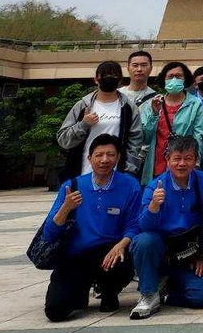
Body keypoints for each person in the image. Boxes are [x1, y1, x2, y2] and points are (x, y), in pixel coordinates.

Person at [39, 134, 141, 321]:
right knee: (55, 311)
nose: (104, 160)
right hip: (76, 255)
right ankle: (81, 290)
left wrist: (122, 244)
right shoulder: (73, 186)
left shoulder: (129, 185)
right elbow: (50, 234)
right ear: (89, 158)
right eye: (99, 155)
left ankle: (110, 289)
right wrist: (65, 208)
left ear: (118, 158)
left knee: (127, 257)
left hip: (110, 252)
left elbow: (135, 224)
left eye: (110, 155)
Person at [130, 135, 203, 319]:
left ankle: (169, 290)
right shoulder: (155, 186)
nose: (181, 164)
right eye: (177, 158)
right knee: (144, 240)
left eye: (188, 158)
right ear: (167, 159)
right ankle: (148, 293)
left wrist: (199, 254)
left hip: (188, 252)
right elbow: (143, 225)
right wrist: (154, 206)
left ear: (196, 160)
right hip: (161, 251)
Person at [57, 60, 143, 180]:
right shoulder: (83, 105)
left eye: (113, 75)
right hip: (83, 174)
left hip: (117, 175)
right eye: (105, 75)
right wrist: (83, 124)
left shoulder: (128, 107)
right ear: (96, 79)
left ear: (120, 80)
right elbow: (63, 140)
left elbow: (135, 140)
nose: (109, 78)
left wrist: (128, 170)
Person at [140, 61, 203, 184]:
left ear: (185, 79)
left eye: (179, 76)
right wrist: (154, 114)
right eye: (170, 76)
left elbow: (199, 136)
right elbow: (145, 136)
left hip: (183, 164)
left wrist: (196, 162)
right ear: (164, 80)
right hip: (157, 163)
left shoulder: (195, 104)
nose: (174, 79)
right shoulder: (154, 103)